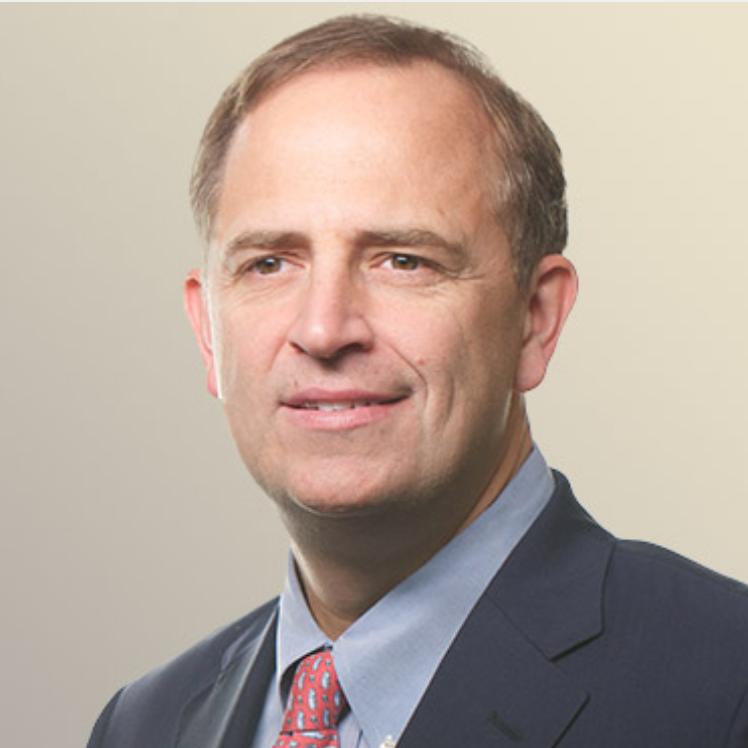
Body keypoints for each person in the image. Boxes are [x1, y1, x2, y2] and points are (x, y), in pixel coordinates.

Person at [87, 14, 748, 748]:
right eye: (269, 263)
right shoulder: (143, 724)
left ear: (536, 319)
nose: (324, 329)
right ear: (208, 330)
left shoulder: (726, 685)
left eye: (404, 260)